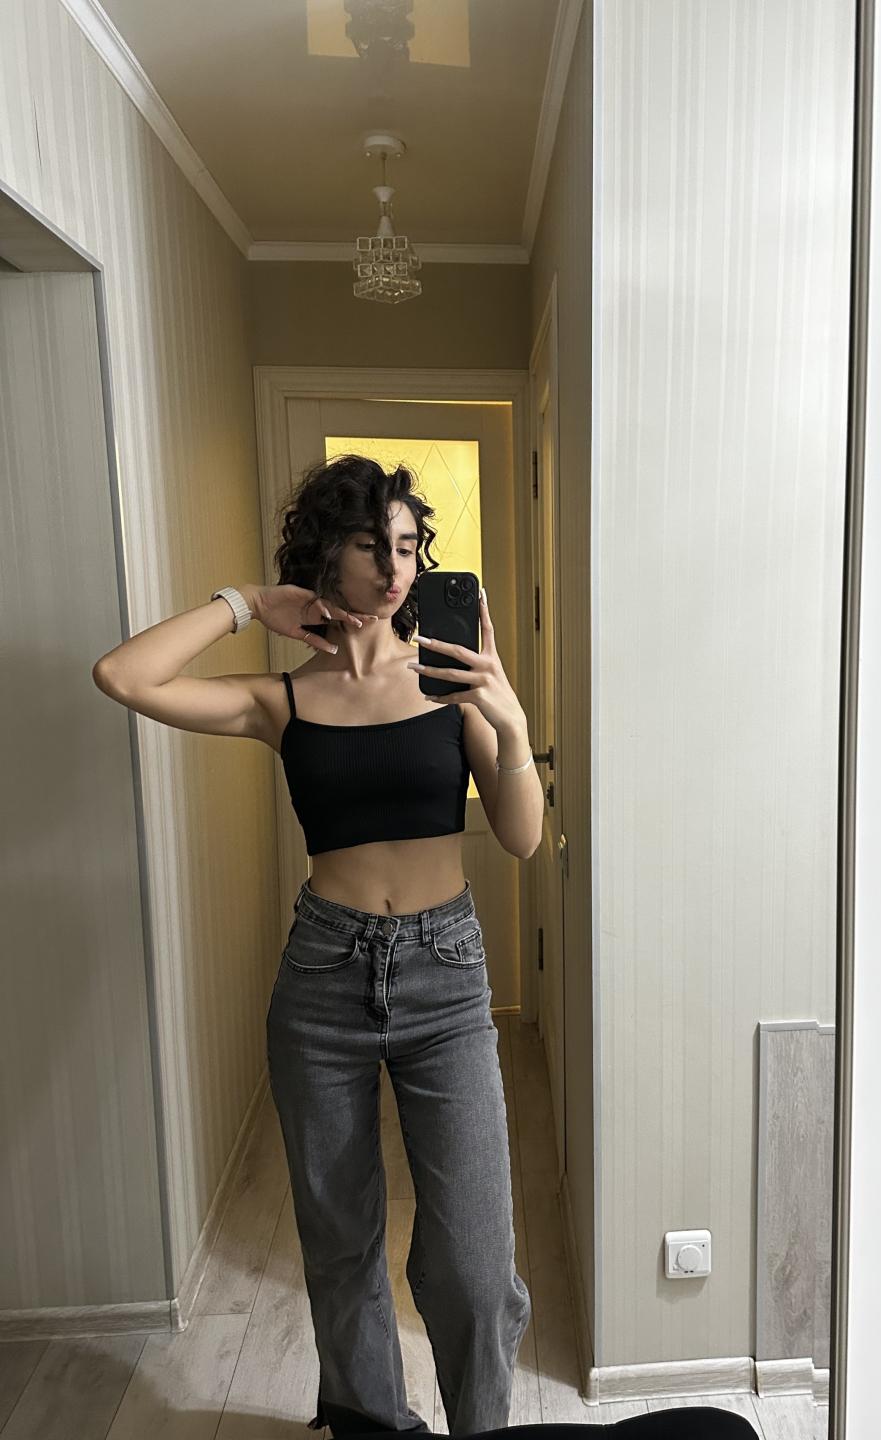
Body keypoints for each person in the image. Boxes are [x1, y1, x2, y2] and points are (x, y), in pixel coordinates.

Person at [92, 454, 542, 1437]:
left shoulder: (452, 684)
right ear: (325, 555)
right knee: (340, 1248)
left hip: (446, 979)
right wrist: (249, 604)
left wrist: (508, 727)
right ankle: (372, 1423)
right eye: (371, 544)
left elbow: (520, 837)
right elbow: (122, 675)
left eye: (409, 546)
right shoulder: (281, 700)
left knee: (474, 1264)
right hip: (323, 982)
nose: (395, 567)